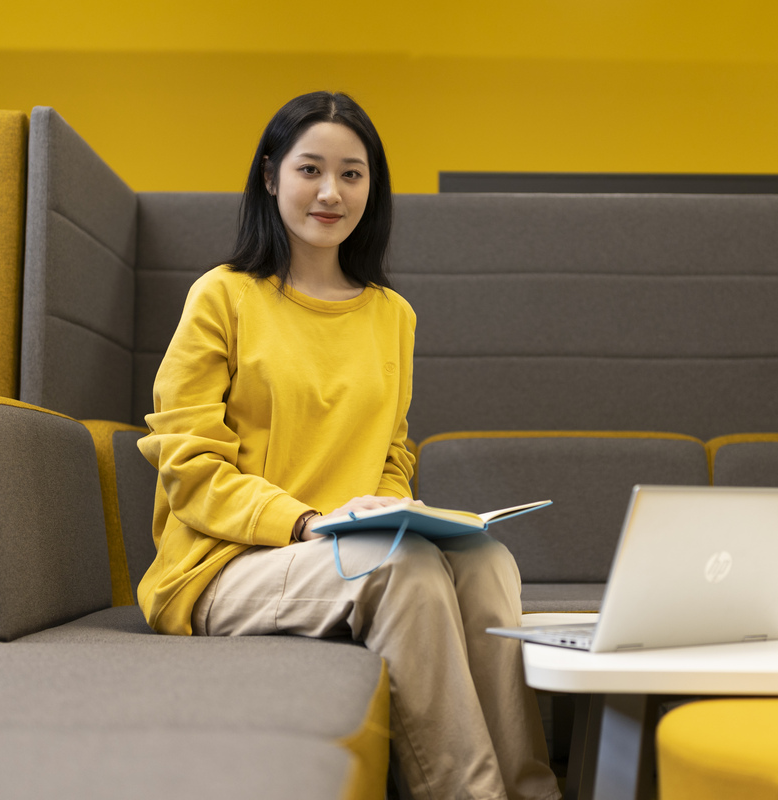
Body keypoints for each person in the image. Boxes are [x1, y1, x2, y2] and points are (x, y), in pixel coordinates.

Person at [136, 91, 561, 800]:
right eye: (311, 169)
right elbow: (188, 464)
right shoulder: (223, 296)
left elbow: (393, 448)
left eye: (353, 174)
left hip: (348, 547)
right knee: (404, 573)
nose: (331, 192)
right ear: (271, 177)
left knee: (487, 560)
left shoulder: (392, 315)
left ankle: (532, 788)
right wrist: (306, 524)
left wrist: (385, 509)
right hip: (228, 564)